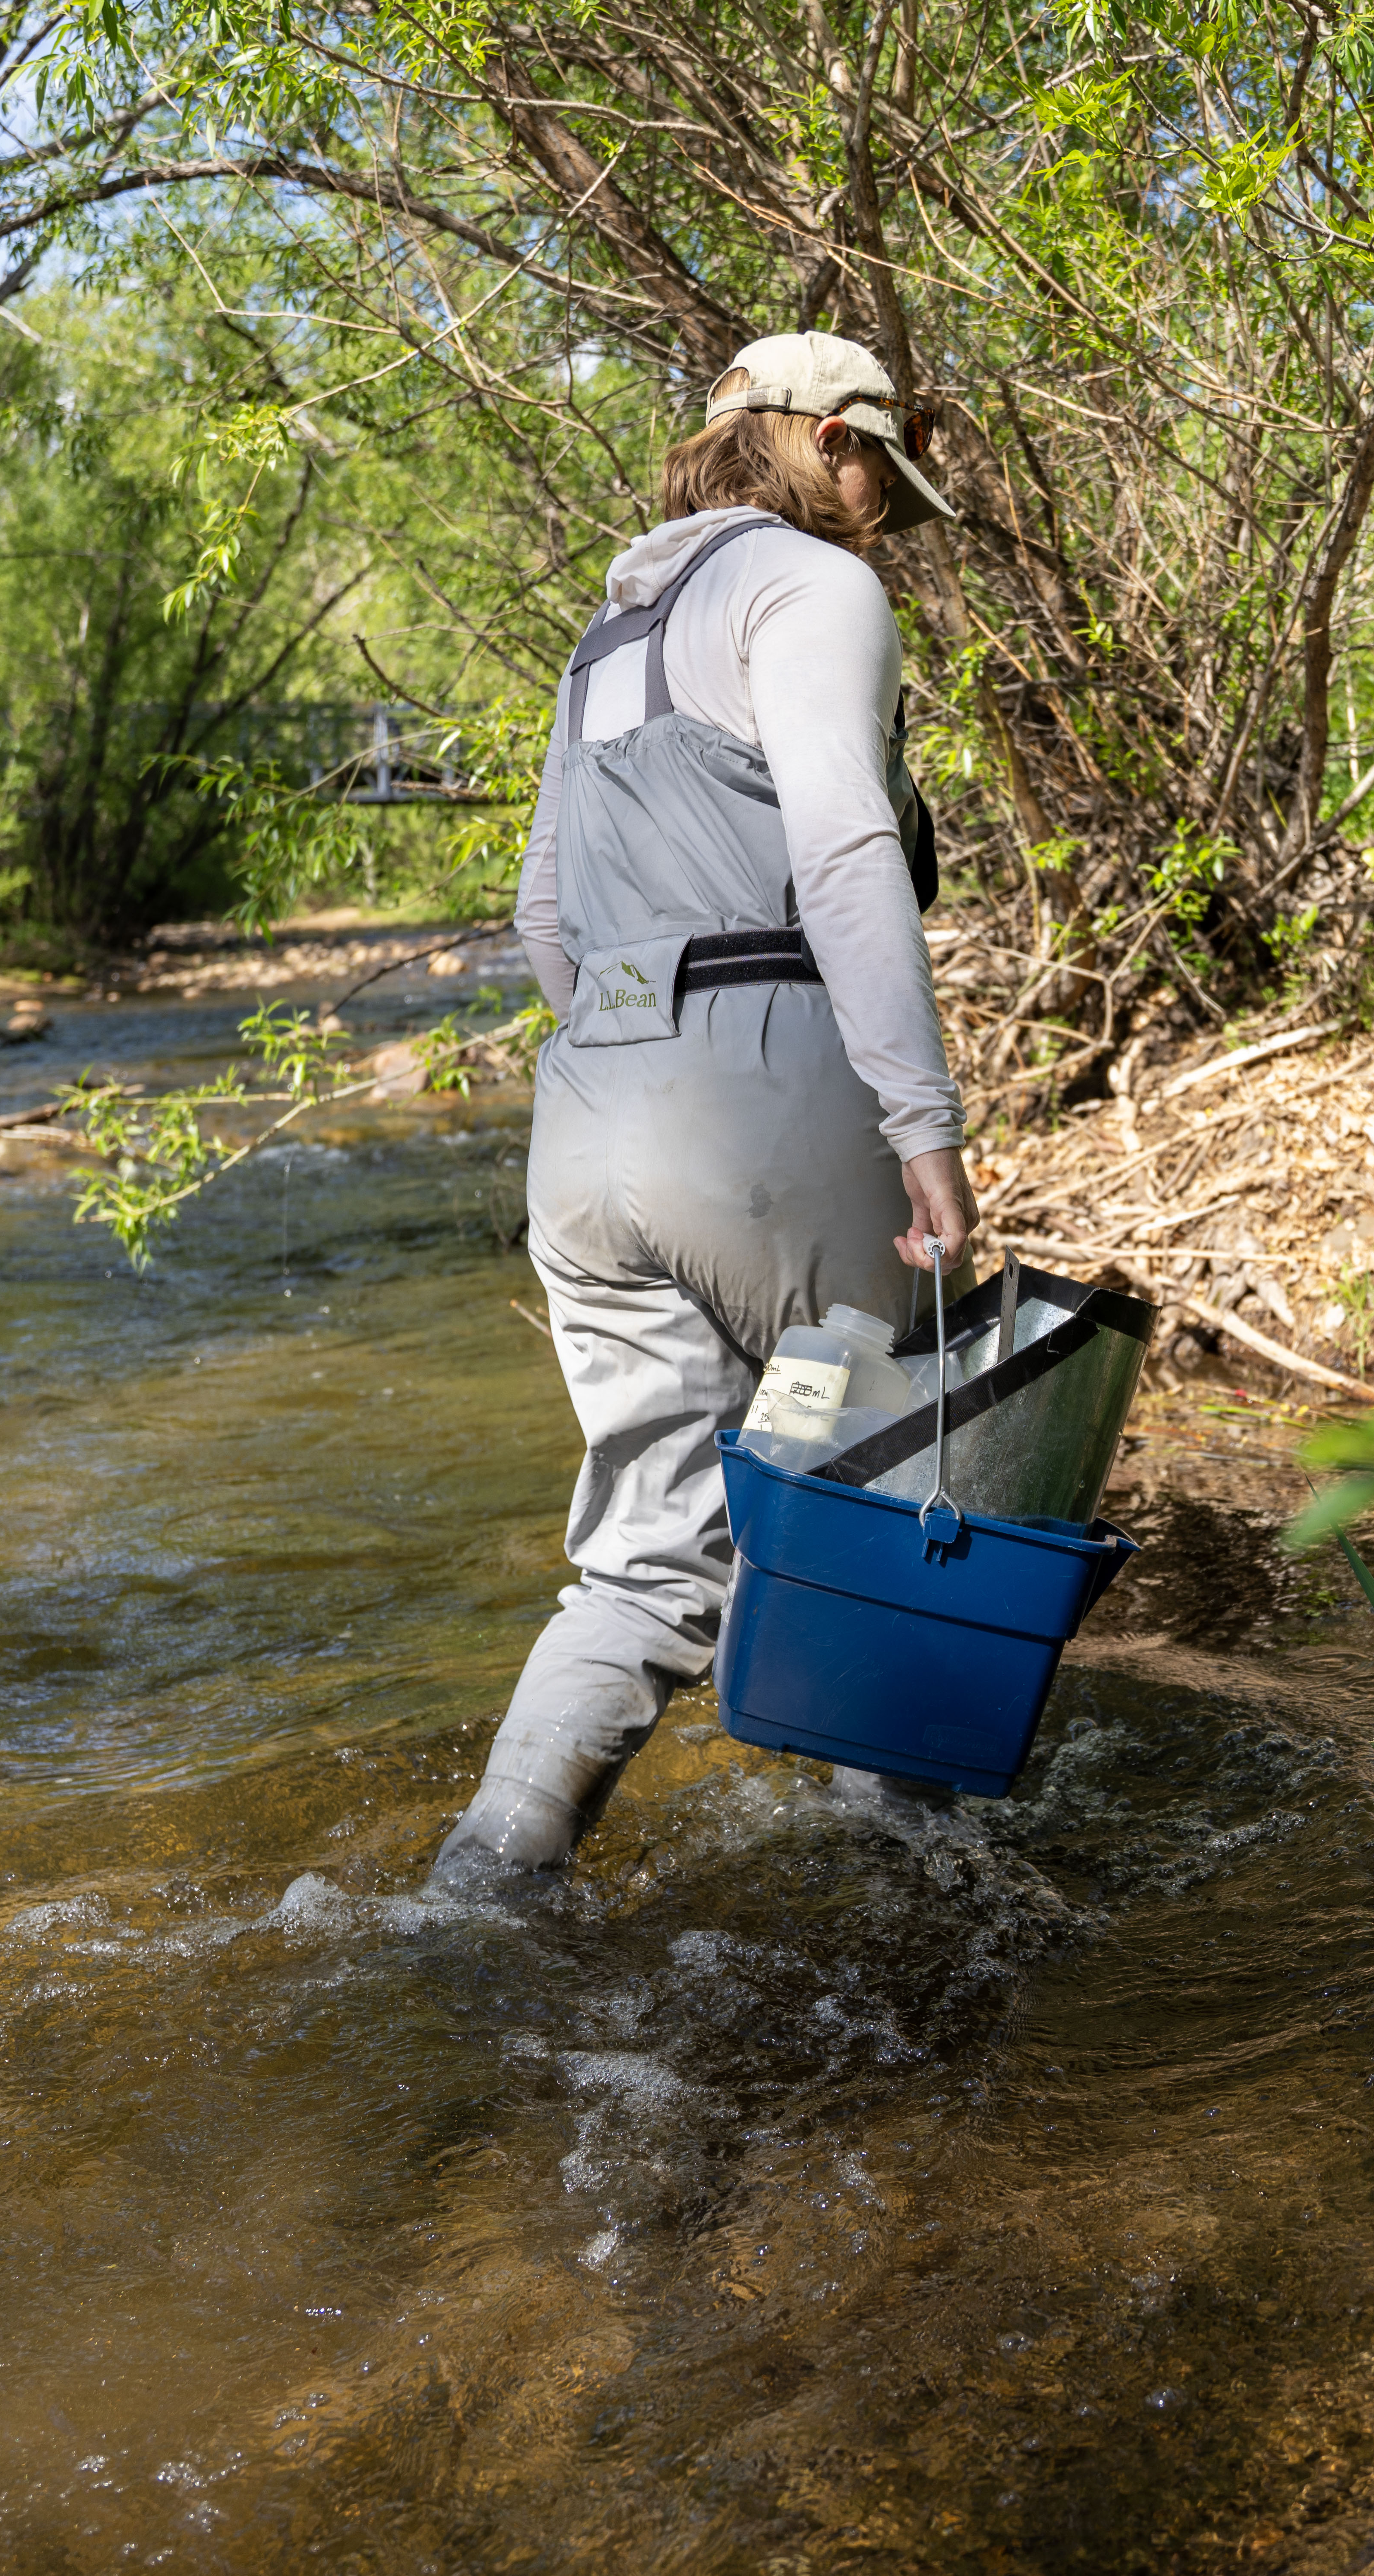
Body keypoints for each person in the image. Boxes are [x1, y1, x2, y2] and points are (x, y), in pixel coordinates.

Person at [429, 334, 980, 1880]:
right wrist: (921, 1129)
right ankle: (905, 1918)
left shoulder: (605, 642)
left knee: (647, 1557)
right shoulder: (812, 591)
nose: (884, 518)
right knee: (869, 1480)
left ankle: (484, 1885)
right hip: (771, 1110)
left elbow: (545, 917)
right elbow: (848, 851)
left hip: (593, 1129)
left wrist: (642, 1060)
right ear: (827, 441)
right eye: (879, 476)